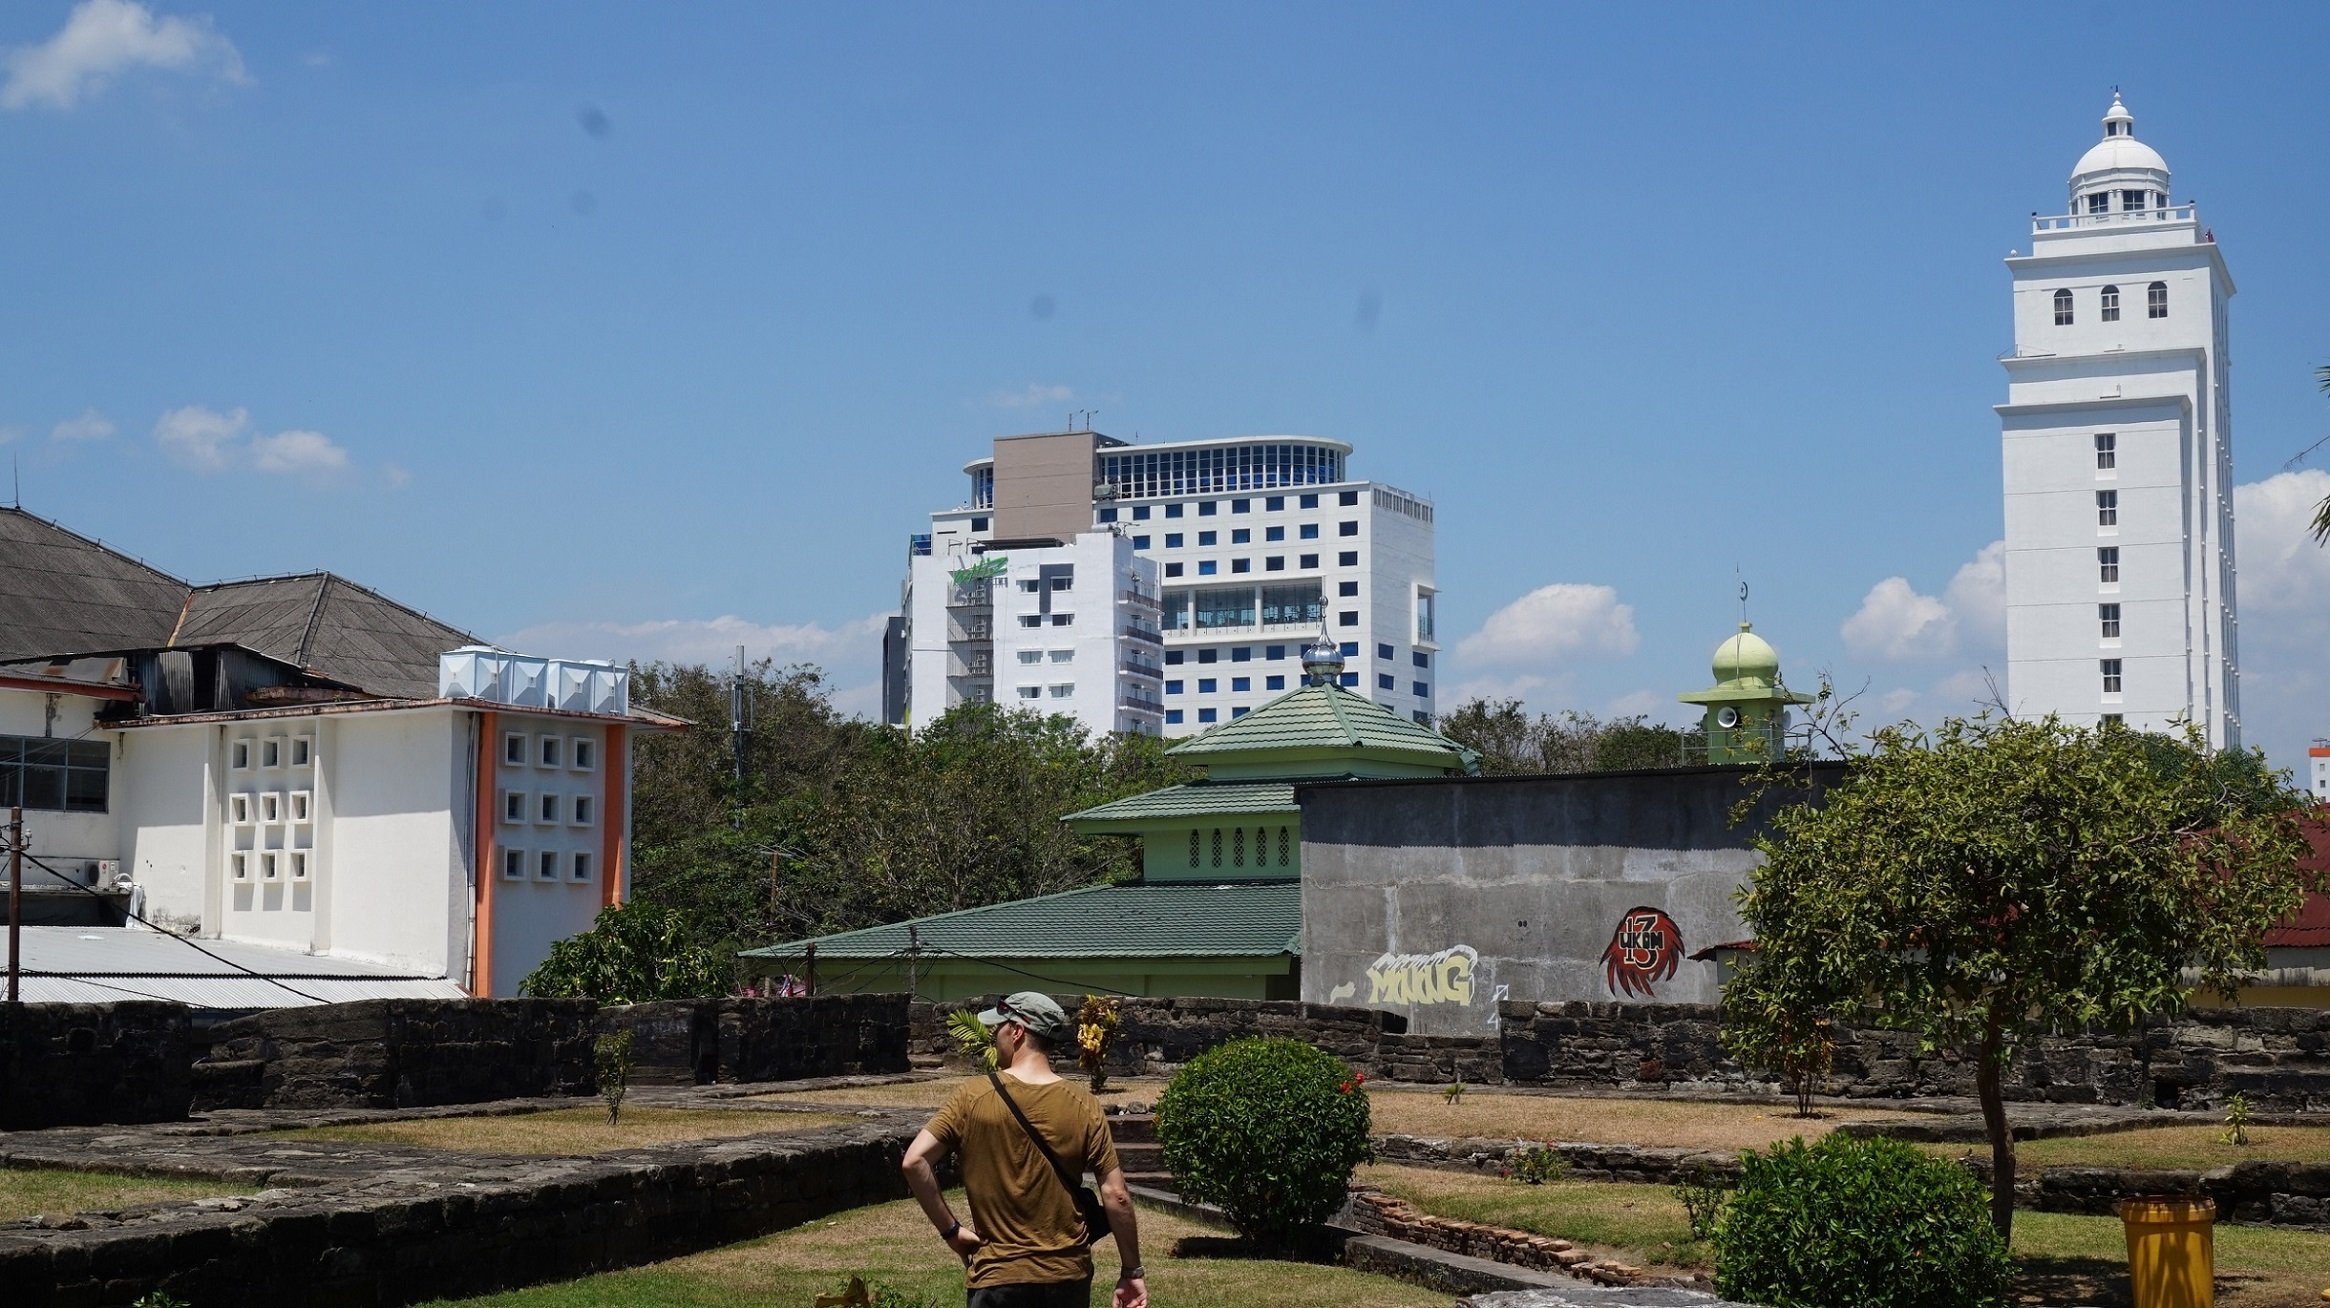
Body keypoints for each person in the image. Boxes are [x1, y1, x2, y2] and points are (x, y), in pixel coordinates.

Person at [902, 992, 1147, 1308]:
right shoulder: (1084, 1105)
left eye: (1000, 1028)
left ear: (1017, 1032)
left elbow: (914, 1161)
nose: (994, 1035)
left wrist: (952, 1231)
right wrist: (1131, 1271)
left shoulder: (970, 1097)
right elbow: (1117, 1195)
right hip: (1067, 1277)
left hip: (996, 1277)